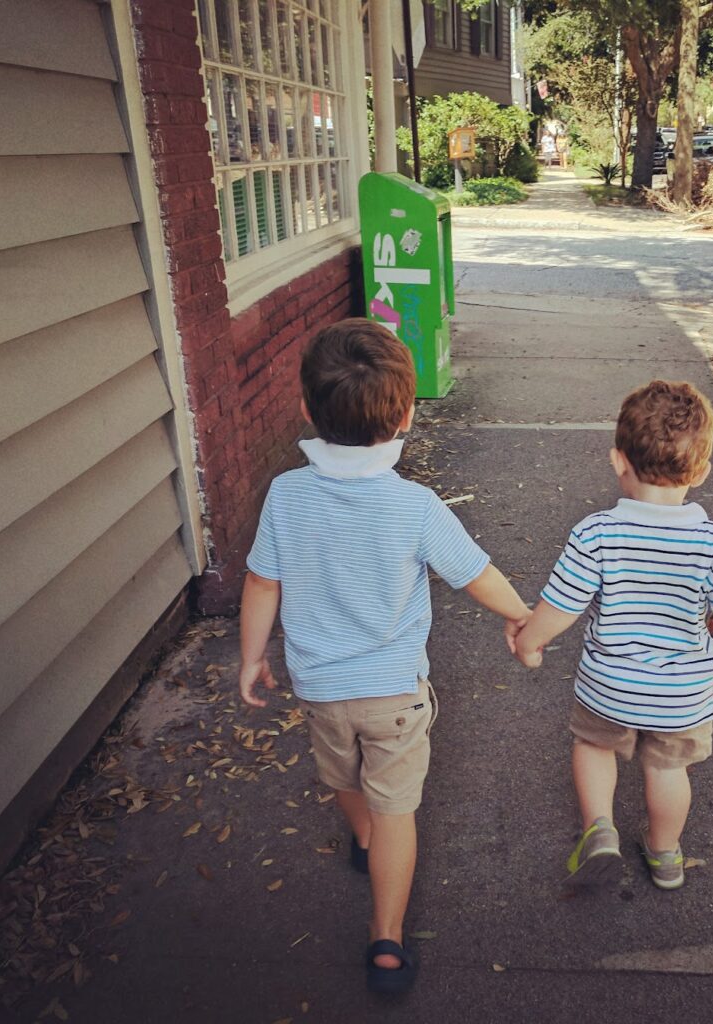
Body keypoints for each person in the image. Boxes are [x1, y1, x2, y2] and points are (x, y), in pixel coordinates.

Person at [239, 320, 531, 994]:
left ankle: (363, 839)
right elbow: (475, 573)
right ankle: (388, 940)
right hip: (395, 694)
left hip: (319, 688)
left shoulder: (286, 496)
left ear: (307, 410)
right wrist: (521, 616)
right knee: (399, 809)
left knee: (341, 774)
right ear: (404, 417)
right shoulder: (415, 506)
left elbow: (262, 582)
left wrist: (253, 656)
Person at [511, 380, 713, 891]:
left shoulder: (596, 533)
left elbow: (561, 605)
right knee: (669, 770)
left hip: (609, 684)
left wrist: (529, 642)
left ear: (618, 460)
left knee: (593, 746)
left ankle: (599, 830)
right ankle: (665, 854)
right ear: (703, 471)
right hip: (682, 696)